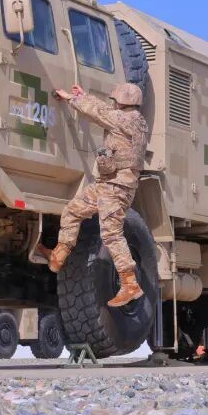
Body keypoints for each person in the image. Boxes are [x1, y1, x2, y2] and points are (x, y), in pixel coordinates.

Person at [46, 82, 149, 308]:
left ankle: (130, 284)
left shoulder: (125, 120)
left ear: (122, 101)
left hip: (116, 187)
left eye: (116, 100)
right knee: (73, 210)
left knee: (112, 234)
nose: (113, 102)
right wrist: (85, 95)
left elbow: (98, 112)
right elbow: (105, 111)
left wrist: (71, 98)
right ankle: (60, 253)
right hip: (106, 184)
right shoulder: (133, 119)